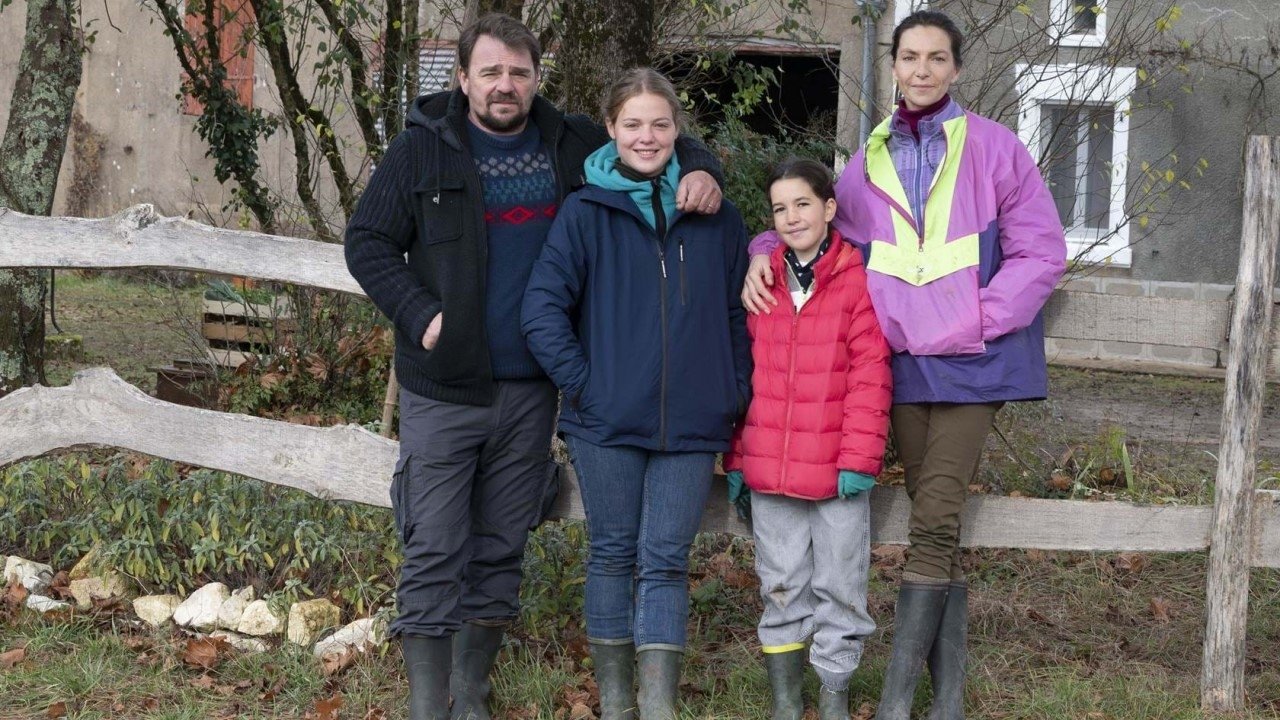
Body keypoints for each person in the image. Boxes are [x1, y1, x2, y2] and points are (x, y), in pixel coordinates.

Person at [343, 13, 725, 720]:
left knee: (500, 542)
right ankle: (431, 704)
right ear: (463, 79)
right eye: (490, 72)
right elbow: (366, 242)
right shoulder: (420, 151)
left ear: (535, 77)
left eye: (518, 72)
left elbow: (653, 139)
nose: (505, 85)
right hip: (444, 386)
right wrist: (422, 314)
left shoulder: (569, 140)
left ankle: (474, 696)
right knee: (432, 542)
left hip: (531, 391)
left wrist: (702, 166)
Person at [741, 11, 1067, 720]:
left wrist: (975, 318)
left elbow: (1043, 252)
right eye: (909, 57)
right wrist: (762, 249)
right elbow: (814, 222)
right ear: (893, 65)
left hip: (976, 364)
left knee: (936, 519)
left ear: (956, 68)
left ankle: (893, 704)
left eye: (936, 58)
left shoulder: (996, 149)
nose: (921, 70)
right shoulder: (869, 162)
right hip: (907, 369)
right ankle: (945, 698)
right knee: (935, 524)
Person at [521, 68, 751, 720]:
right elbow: (542, 311)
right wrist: (587, 385)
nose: (646, 137)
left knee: (666, 561)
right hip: (605, 424)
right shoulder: (584, 212)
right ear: (611, 130)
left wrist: (731, 390)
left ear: (678, 130)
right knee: (614, 554)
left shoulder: (717, 216)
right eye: (632, 124)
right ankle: (617, 703)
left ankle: (658, 707)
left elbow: (738, 314)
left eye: (659, 124)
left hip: (694, 420)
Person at [723, 157, 893, 720]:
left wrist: (859, 459)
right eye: (779, 208)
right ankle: (786, 701)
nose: (792, 217)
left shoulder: (856, 279)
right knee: (781, 584)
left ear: (827, 207)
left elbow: (870, 374)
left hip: (837, 471)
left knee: (840, 587)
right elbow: (744, 380)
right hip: (771, 467)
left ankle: (834, 692)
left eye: (802, 204)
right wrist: (739, 458)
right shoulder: (761, 282)